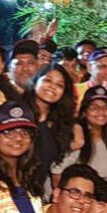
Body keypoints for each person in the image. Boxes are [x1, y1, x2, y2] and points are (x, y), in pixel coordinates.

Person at [23, 65, 78, 195]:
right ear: (35, 82)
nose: (53, 87)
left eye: (60, 85)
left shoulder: (59, 124)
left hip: (35, 195)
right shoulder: (18, 114)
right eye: (48, 80)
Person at [54, 86, 107, 185]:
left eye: (106, 107)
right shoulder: (77, 139)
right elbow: (56, 174)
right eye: (94, 108)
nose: (101, 111)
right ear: (84, 112)